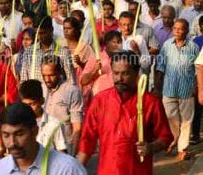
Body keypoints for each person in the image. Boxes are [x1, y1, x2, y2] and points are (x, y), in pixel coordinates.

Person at [77, 51, 173, 174]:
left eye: (125, 73)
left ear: (136, 73)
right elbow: (87, 140)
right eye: (116, 73)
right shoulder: (100, 100)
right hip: (107, 170)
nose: (119, 79)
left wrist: (151, 147)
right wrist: (76, 168)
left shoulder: (150, 102)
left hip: (138, 171)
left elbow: (166, 137)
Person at [0, 102, 86, 175]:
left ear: (35, 131)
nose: (12, 143)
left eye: (19, 134)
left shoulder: (67, 169)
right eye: (6, 135)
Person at [155, 19, 199, 161]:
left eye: (181, 29)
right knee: (170, 118)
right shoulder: (167, 46)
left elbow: (198, 69)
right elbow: (160, 67)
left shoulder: (193, 47)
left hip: (187, 90)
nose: (177, 31)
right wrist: (157, 87)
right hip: (169, 89)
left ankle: (183, 148)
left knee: (186, 121)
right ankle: (173, 141)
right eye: (175, 29)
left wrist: (196, 87)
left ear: (186, 30)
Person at [41, 55, 83, 154]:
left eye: (51, 75)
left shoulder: (72, 91)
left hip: (64, 148)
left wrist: (73, 154)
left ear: (60, 72)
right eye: (44, 76)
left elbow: (77, 126)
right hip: (42, 147)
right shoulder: (39, 89)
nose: (47, 80)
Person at [19, 16, 75, 85]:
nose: (39, 37)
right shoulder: (28, 52)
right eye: (37, 33)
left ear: (51, 30)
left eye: (42, 33)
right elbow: (24, 80)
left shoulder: (63, 53)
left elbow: (71, 81)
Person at [18, 79, 67, 152]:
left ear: (41, 101)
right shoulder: (18, 123)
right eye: (25, 105)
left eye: (32, 104)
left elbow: (62, 152)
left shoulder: (54, 123)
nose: (28, 108)